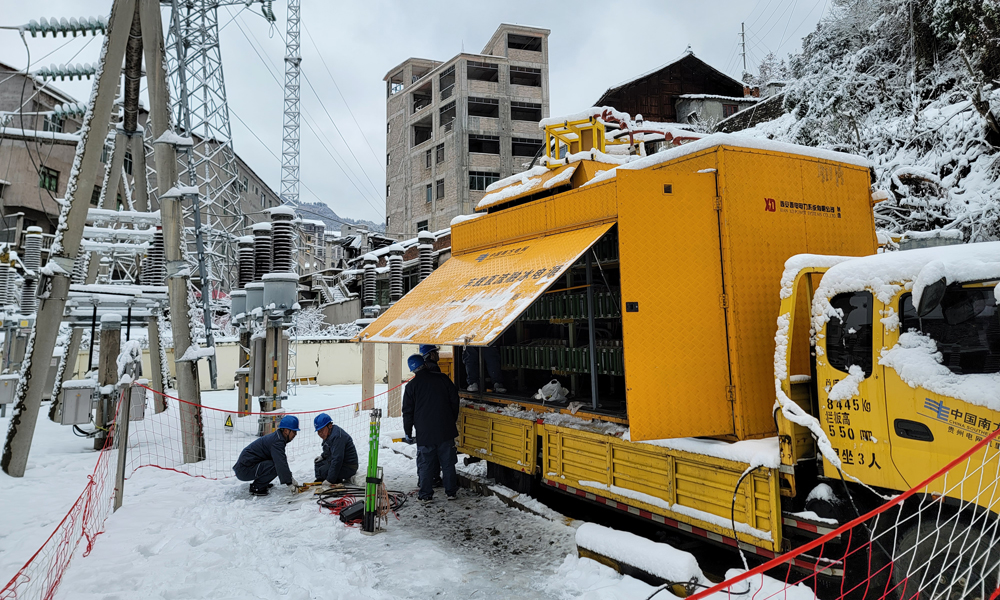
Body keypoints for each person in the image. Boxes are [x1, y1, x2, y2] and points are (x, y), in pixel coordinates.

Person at [402, 354, 460, 502]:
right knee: (448, 463)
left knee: (426, 464)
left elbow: (407, 412)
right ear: (425, 364)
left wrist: (408, 431)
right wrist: (451, 419)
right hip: (445, 430)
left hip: (425, 433)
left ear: (412, 369)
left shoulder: (411, 386)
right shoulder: (442, 379)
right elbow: (454, 399)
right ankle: (451, 492)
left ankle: (426, 494)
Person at [233, 415, 302, 496]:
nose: (295, 434)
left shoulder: (277, 438)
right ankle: (257, 487)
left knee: (276, 464)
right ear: (286, 431)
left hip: (247, 467)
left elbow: (281, 460)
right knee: (275, 466)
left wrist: (289, 477)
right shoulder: (277, 442)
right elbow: (280, 463)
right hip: (244, 470)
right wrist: (290, 482)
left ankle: (262, 483)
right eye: (294, 431)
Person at [313, 413, 359, 485]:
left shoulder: (338, 437)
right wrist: (323, 456)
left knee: (323, 470)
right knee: (318, 463)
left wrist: (330, 480)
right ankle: (320, 480)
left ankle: (334, 481)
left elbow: (337, 460)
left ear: (330, 426)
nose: (320, 433)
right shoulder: (328, 434)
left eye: (322, 430)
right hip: (339, 462)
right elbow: (327, 449)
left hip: (349, 466)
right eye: (318, 431)